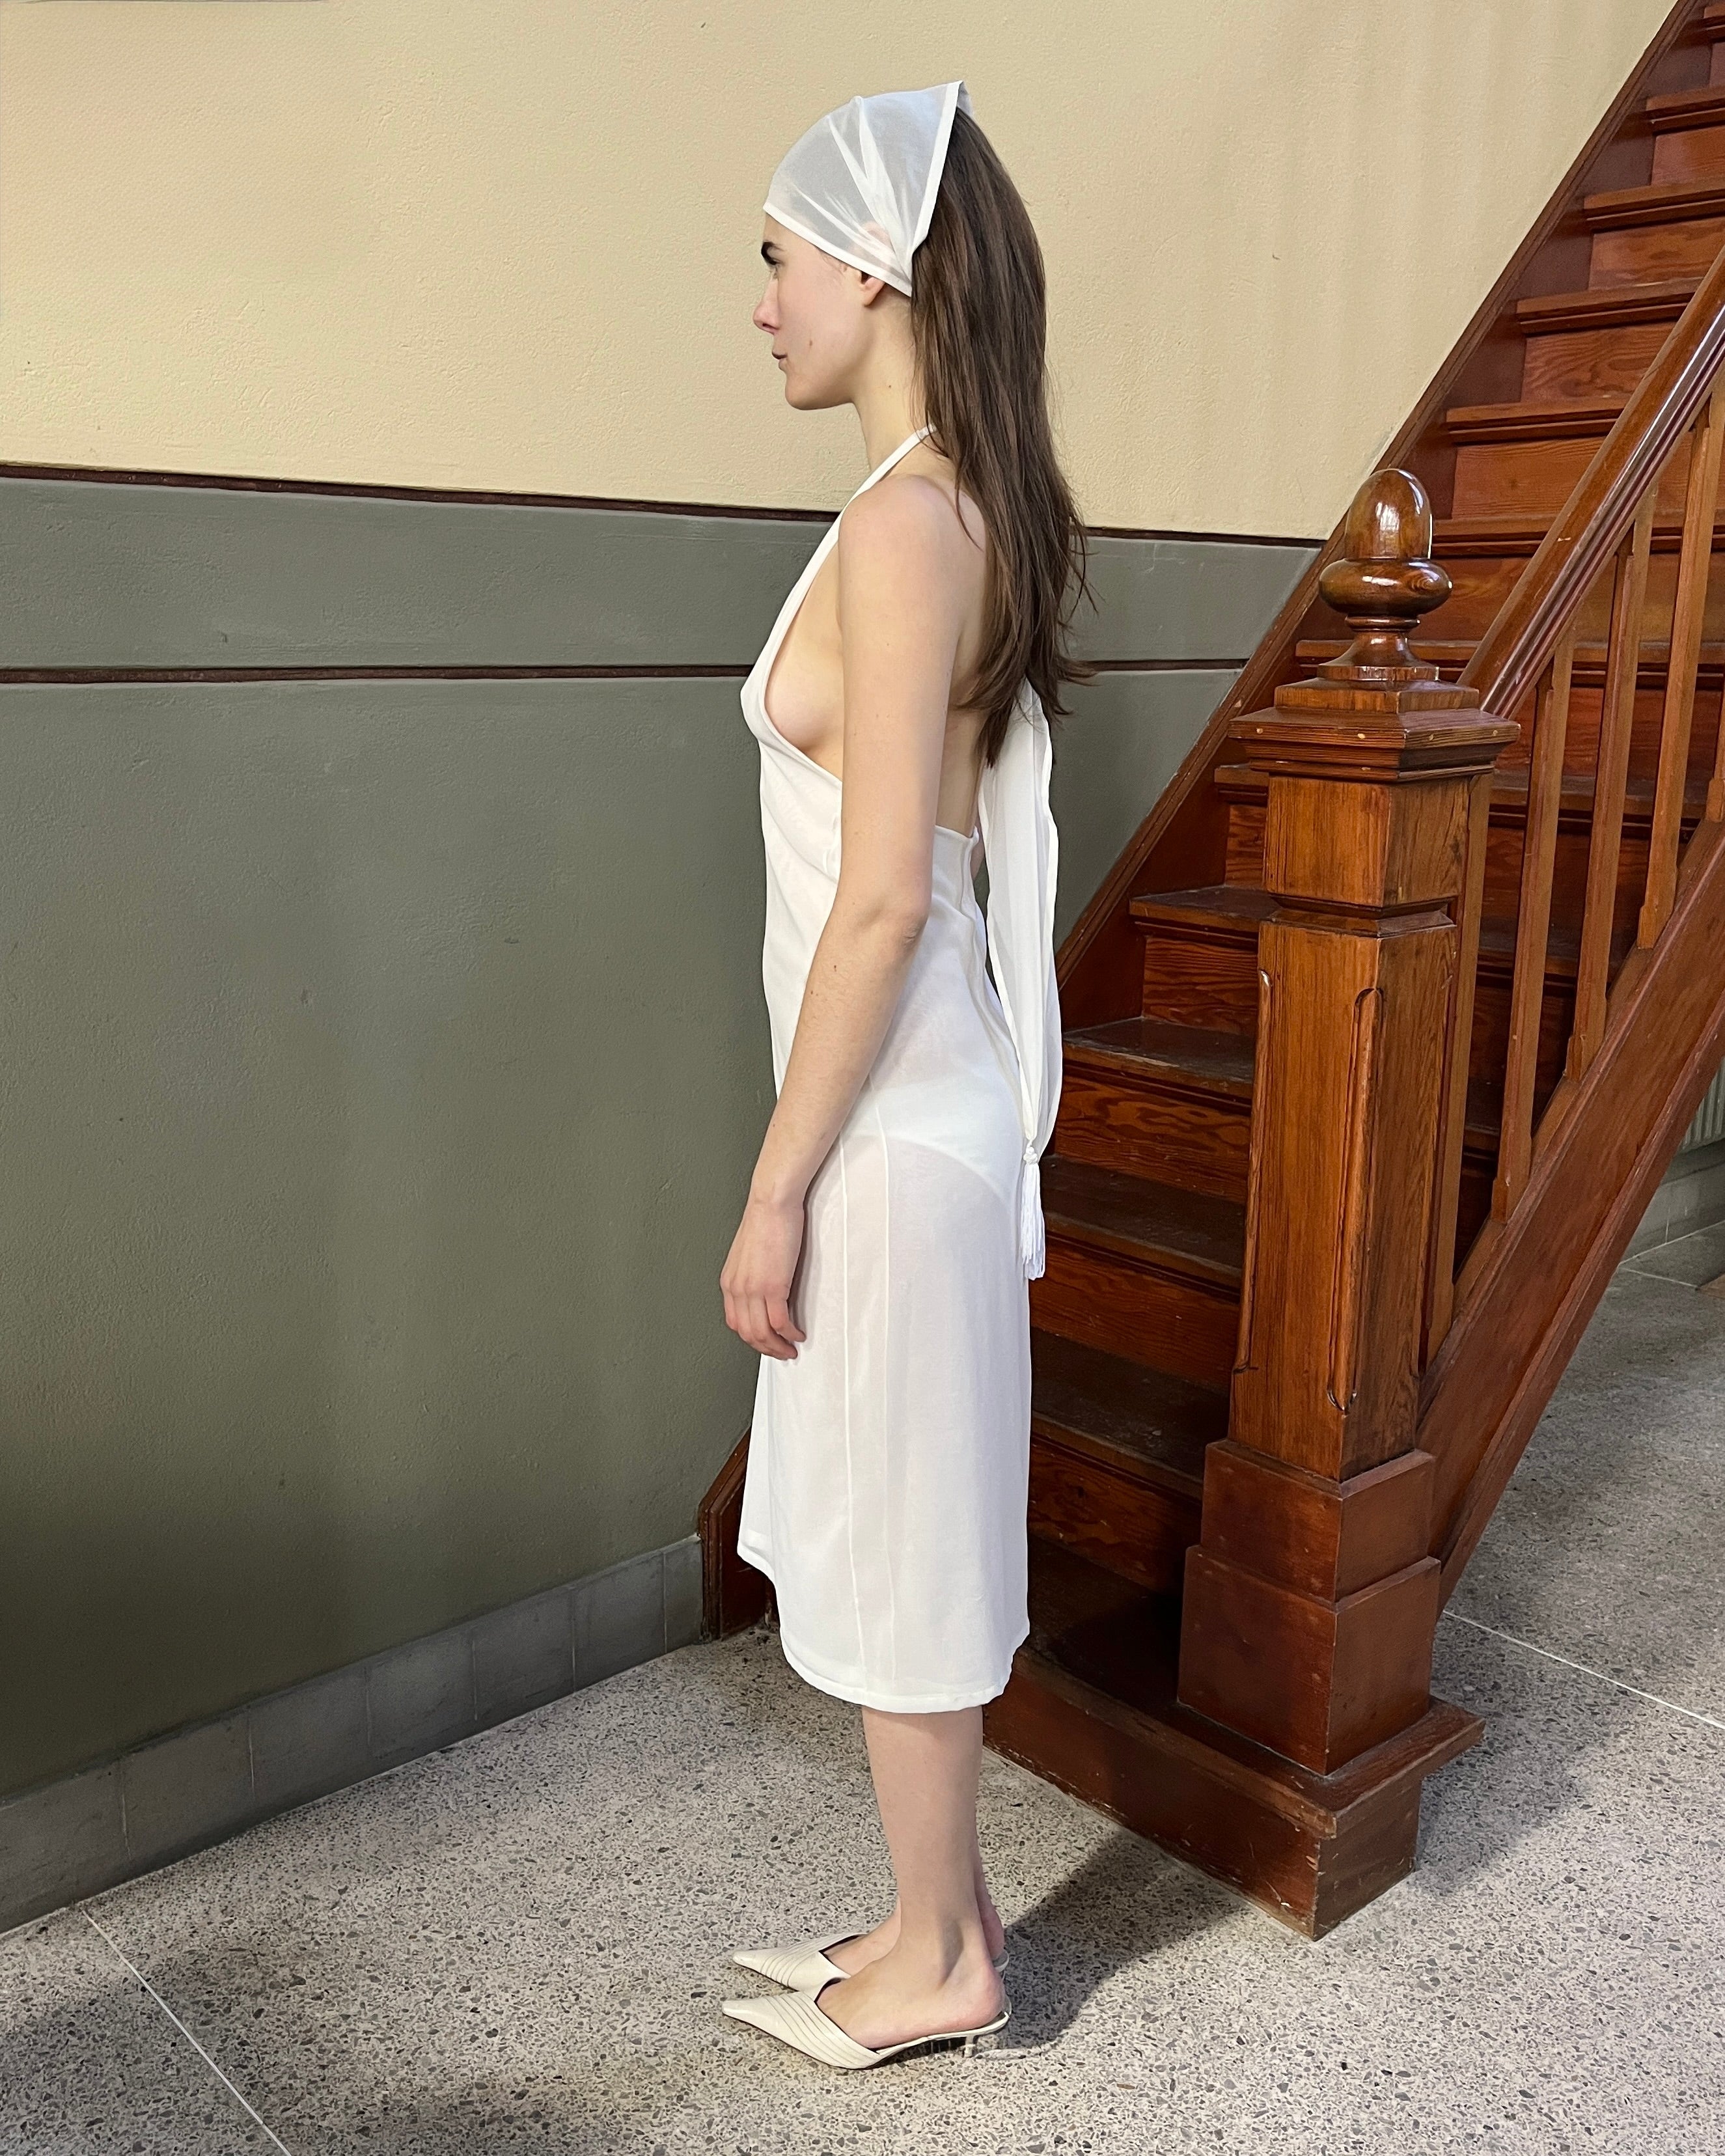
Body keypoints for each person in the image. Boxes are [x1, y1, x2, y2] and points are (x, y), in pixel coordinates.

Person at [717, 79, 1090, 2073]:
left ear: (870, 266)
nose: (763, 301)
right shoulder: (938, 509)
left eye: (778, 260)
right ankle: (928, 1909)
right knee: (891, 1520)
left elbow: (877, 907)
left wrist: (772, 1189)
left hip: (888, 1127)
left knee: (905, 1546)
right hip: (900, 1109)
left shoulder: (903, 521)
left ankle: (945, 1958)